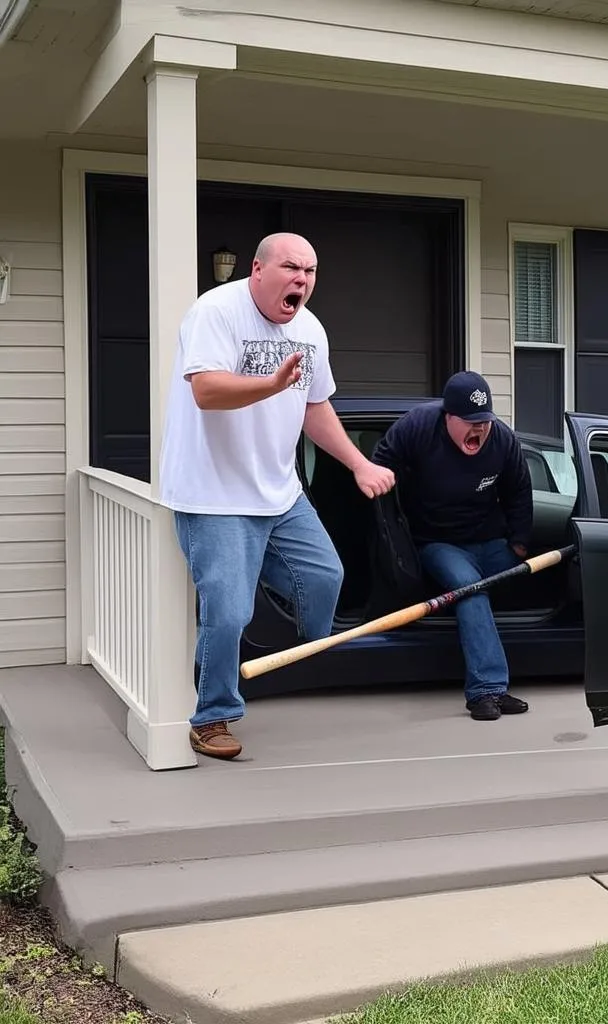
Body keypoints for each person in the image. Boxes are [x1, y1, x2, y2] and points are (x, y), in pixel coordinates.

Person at [158, 232, 395, 760]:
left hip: (279, 493)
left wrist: (359, 464)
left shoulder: (309, 329)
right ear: (258, 270)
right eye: (291, 267)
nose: (302, 280)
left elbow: (314, 408)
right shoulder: (216, 311)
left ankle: (298, 662)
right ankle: (213, 716)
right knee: (227, 612)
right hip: (214, 494)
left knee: (323, 577)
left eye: (310, 272)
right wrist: (269, 383)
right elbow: (206, 389)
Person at [371, 371, 534, 721]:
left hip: (490, 542)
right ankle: (486, 691)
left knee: (499, 589)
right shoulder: (418, 427)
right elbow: (379, 465)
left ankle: (488, 668)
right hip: (438, 543)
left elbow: (520, 489)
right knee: (471, 590)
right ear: (449, 417)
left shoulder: (502, 440)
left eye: (485, 422)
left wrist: (519, 544)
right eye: (471, 422)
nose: (480, 429)